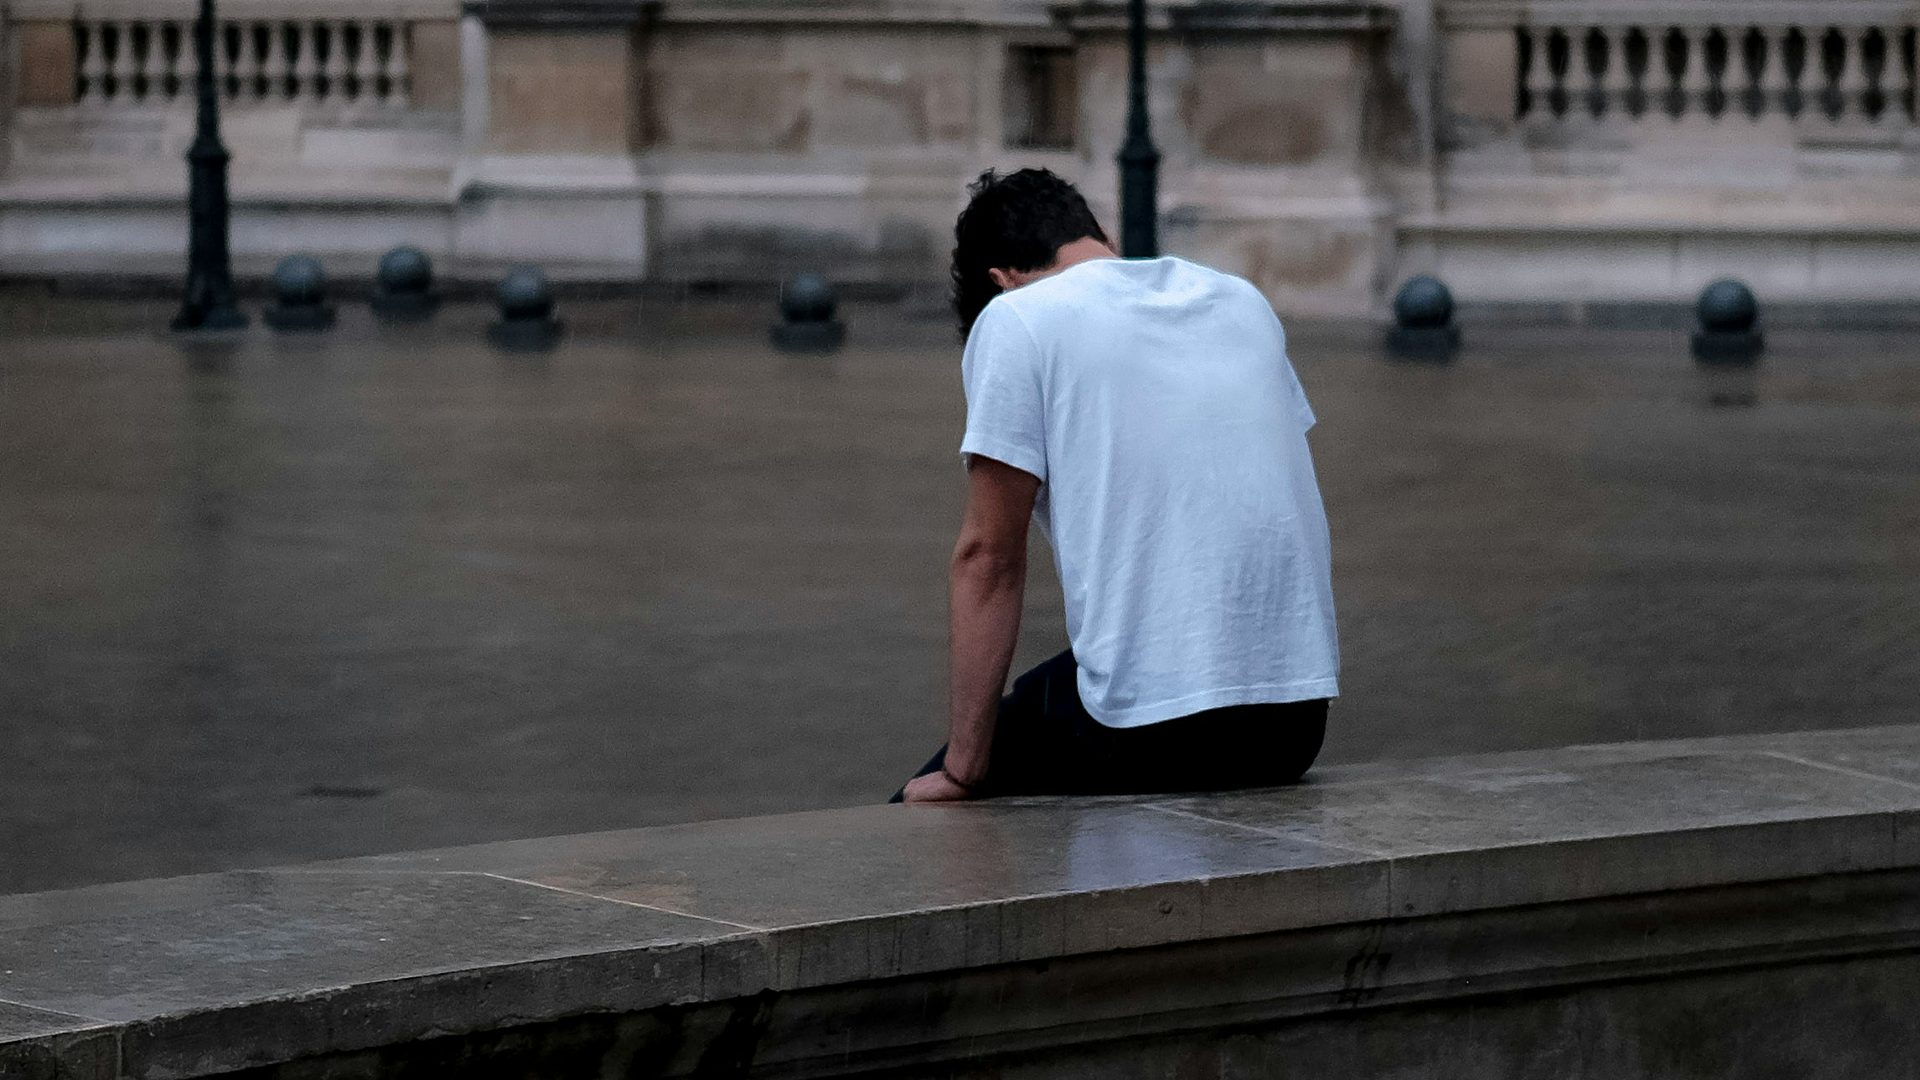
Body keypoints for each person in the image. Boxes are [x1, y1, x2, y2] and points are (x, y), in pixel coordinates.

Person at [894, 167, 1339, 804]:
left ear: (1001, 281)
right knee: (1046, 699)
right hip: (1296, 724)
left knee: (921, 802)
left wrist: (965, 770)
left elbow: (988, 560)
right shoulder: (1242, 301)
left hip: (1152, 730)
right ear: (1099, 235)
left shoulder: (1018, 320)